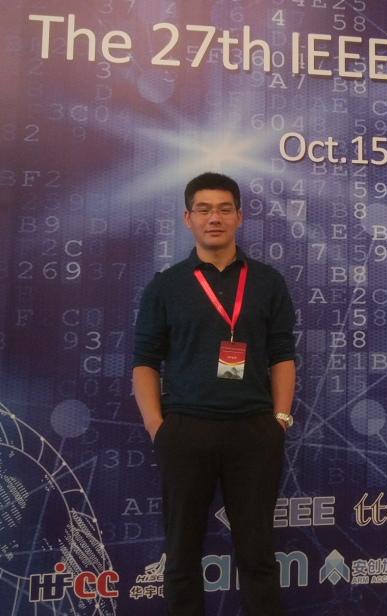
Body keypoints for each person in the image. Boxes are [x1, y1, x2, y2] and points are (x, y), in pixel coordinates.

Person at [132, 172, 296, 616]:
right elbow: (145, 361)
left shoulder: (268, 282)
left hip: (254, 431)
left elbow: (282, 354)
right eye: (203, 209)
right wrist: (157, 427)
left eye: (224, 209)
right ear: (188, 218)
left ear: (239, 216)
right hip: (186, 431)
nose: (214, 218)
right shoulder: (165, 286)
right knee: (181, 555)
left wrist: (280, 421)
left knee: (258, 555)